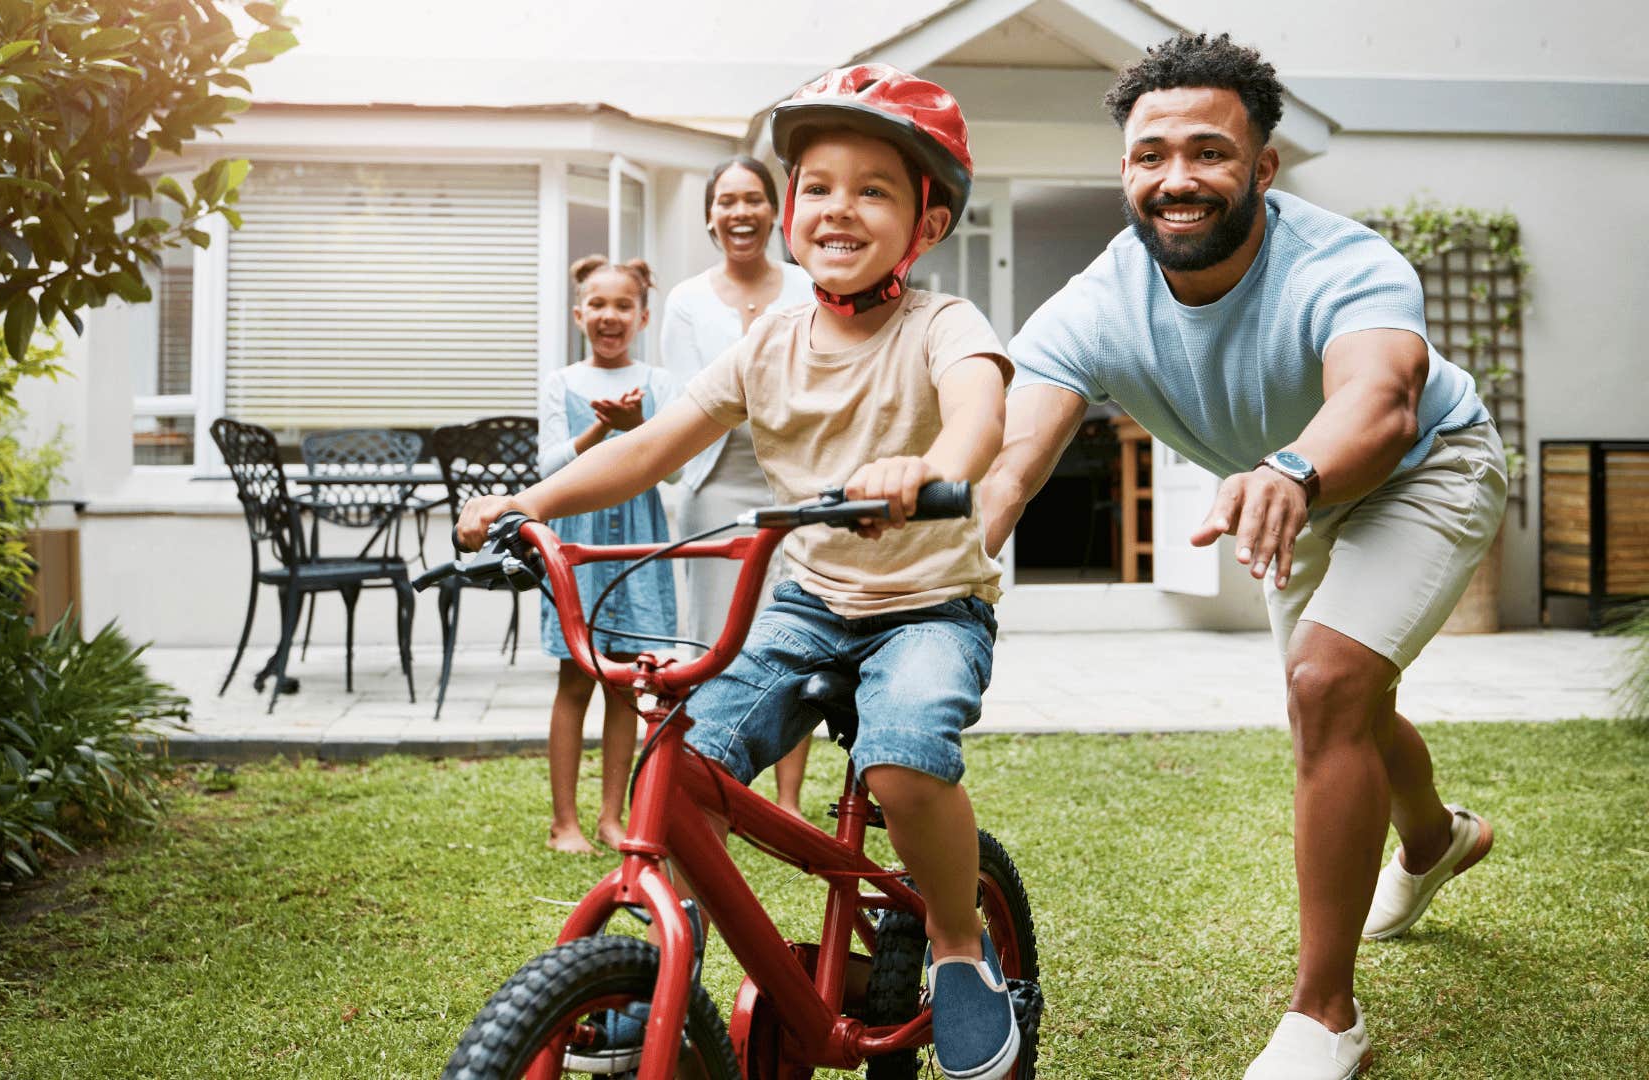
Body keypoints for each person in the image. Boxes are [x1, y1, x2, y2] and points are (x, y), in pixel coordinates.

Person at [461, 64, 1024, 1079]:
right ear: (791, 207)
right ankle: (668, 978)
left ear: (928, 225)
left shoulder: (943, 326)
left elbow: (981, 413)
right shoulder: (769, 342)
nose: (837, 206)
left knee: (899, 760)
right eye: (817, 184)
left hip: (928, 603)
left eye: (874, 188)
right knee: (685, 769)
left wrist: (934, 469)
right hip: (809, 602)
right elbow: (655, 446)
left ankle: (953, 942)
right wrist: (531, 502)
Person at [978, 33, 1505, 1080]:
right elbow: (1012, 461)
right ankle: (1434, 837)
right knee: (1342, 699)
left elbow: (1384, 402)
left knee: (1325, 682)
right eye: (1150, 155)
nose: (1178, 179)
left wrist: (1294, 472)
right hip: (1289, 496)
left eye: (1210, 153)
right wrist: (957, 554)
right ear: (1125, 168)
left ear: (1262, 166)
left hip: (1424, 467)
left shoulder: (1343, 261)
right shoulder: (1096, 302)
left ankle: (1325, 1016)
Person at [660, 155, 817, 817]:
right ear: (709, 217)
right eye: (727, 201)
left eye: (753, 199)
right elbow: (683, 400)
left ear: (774, 211)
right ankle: (711, 783)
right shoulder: (687, 300)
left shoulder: (809, 286)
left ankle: (785, 799)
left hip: (797, 487)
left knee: (795, 633)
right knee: (713, 640)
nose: (740, 213)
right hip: (715, 484)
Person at [535, 255, 680, 855]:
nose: (609, 315)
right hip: (580, 548)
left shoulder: (661, 383)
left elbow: (673, 469)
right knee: (576, 680)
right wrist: (600, 430)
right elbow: (545, 469)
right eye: (597, 304)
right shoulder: (562, 384)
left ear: (642, 316)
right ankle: (563, 821)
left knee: (629, 685)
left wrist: (640, 424)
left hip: (637, 548)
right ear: (578, 315)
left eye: (623, 305)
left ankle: (611, 818)